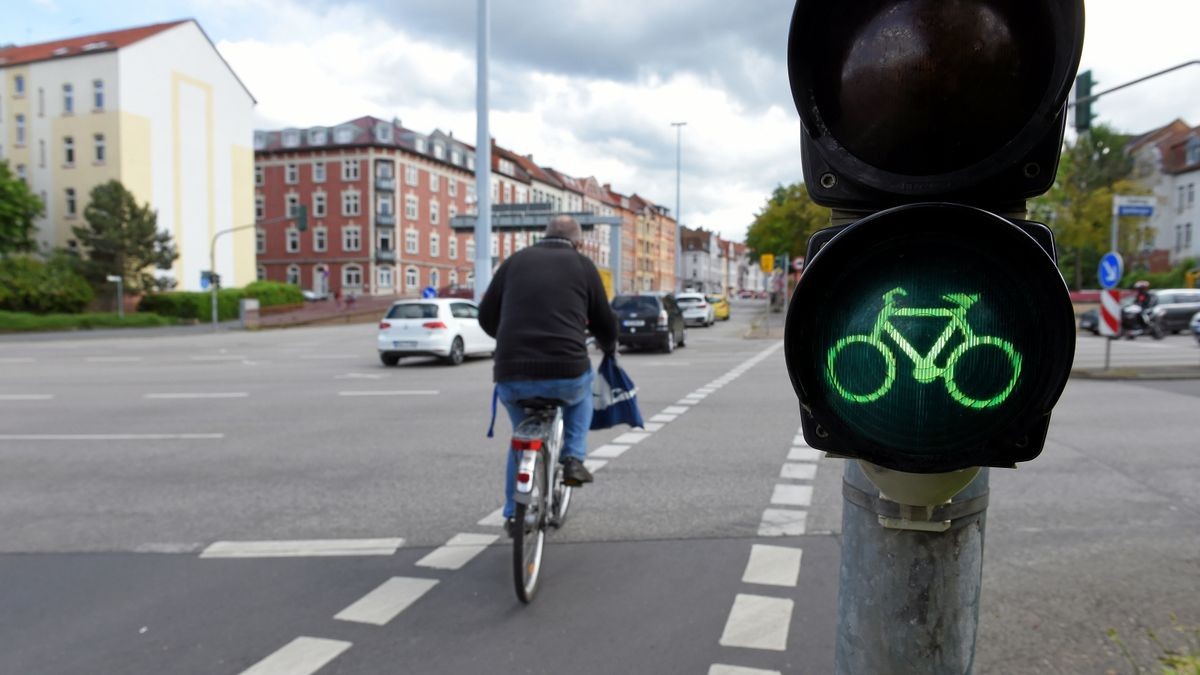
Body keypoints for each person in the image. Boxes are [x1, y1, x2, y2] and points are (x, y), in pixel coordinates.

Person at [478, 215, 618, 533]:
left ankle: (514, 513)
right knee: (581, 394)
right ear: (578, 242)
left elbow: (486, 315)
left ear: (544, 236)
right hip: (566, 371)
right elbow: (603, 320)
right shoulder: (582, 266)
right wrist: (609, 347)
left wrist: (506, 339)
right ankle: (573, 458)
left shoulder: (513, 263)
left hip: (512, 372)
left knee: (519, 440)